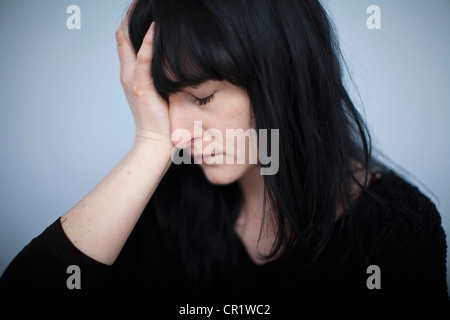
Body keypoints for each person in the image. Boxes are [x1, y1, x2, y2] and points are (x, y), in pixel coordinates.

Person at [0, 0, 447, 300]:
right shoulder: (170, 199)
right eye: (162, 99)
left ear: (282, 78)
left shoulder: (395, 233)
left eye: (202, 97)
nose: (177, 131)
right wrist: (150, 146)